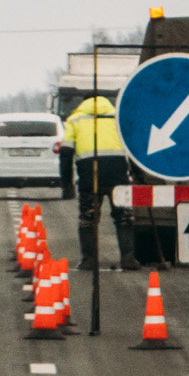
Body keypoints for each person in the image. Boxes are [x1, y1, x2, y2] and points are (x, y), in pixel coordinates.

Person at [62, 95, 130, 269]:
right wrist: (137, 175)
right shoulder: (119, 117)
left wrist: (66, 183)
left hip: (89, 174)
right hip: (118, 173)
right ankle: (128, 259)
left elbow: (66, 153)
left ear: (83, 102)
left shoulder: (75, 119)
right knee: (124, 218)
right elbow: (133, 147)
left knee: (88, 218)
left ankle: (89, 260)